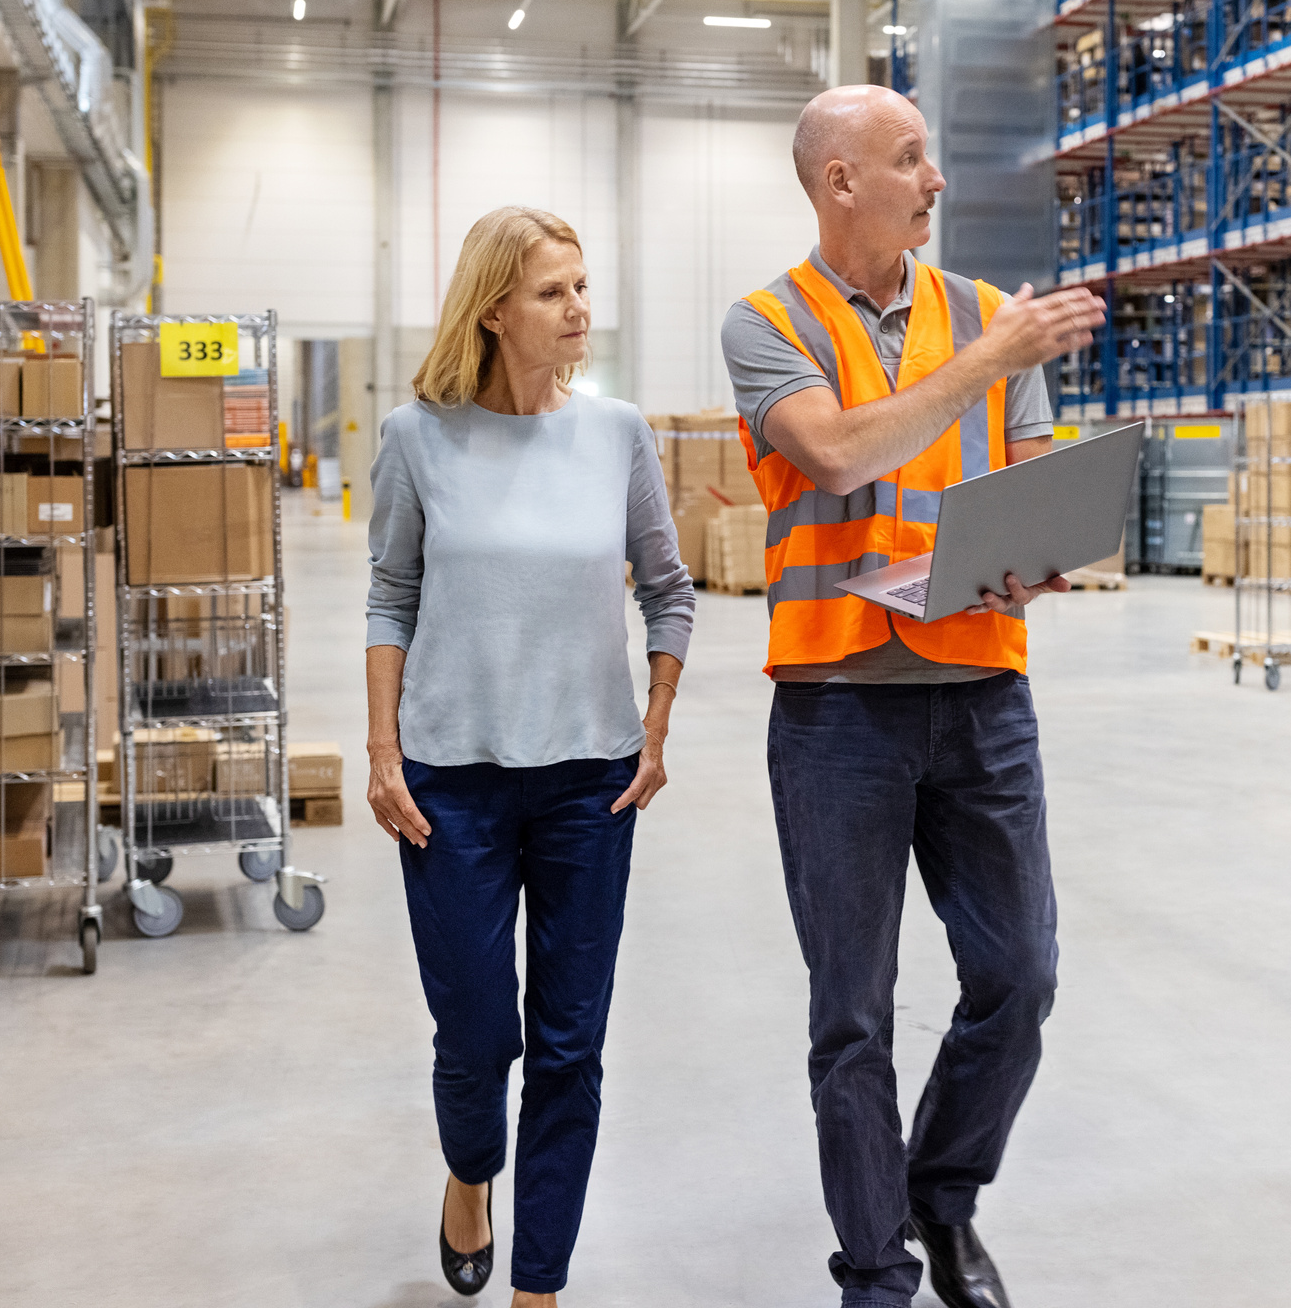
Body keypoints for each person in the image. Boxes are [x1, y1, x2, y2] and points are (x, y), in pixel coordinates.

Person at [719, 85, 1108, 1308]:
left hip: (983, 692)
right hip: (840, 708)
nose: (934, 179)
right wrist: (991, 362)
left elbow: (1032, 468)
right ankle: (875, 1272)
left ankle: (940, 1196)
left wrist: (1042, 543)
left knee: (1021, 975)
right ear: (841, 181)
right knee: (854, 1017)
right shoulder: (765, 321)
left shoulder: (987, 312)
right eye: (909, 158)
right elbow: (834, 451)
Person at [365, 206, 693, 1308]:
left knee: (569, 1043)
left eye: (584, 288)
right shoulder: (419, 435)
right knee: (474, 1029)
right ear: (494, 308)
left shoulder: (618, 433)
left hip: (590, 783)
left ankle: (538, 1286)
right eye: (554, 292)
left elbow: (669, 588)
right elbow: (390, 594)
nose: (579, 310)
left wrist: (652, 727)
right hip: (449, 780)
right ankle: (470, 1170)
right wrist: (382, 749)